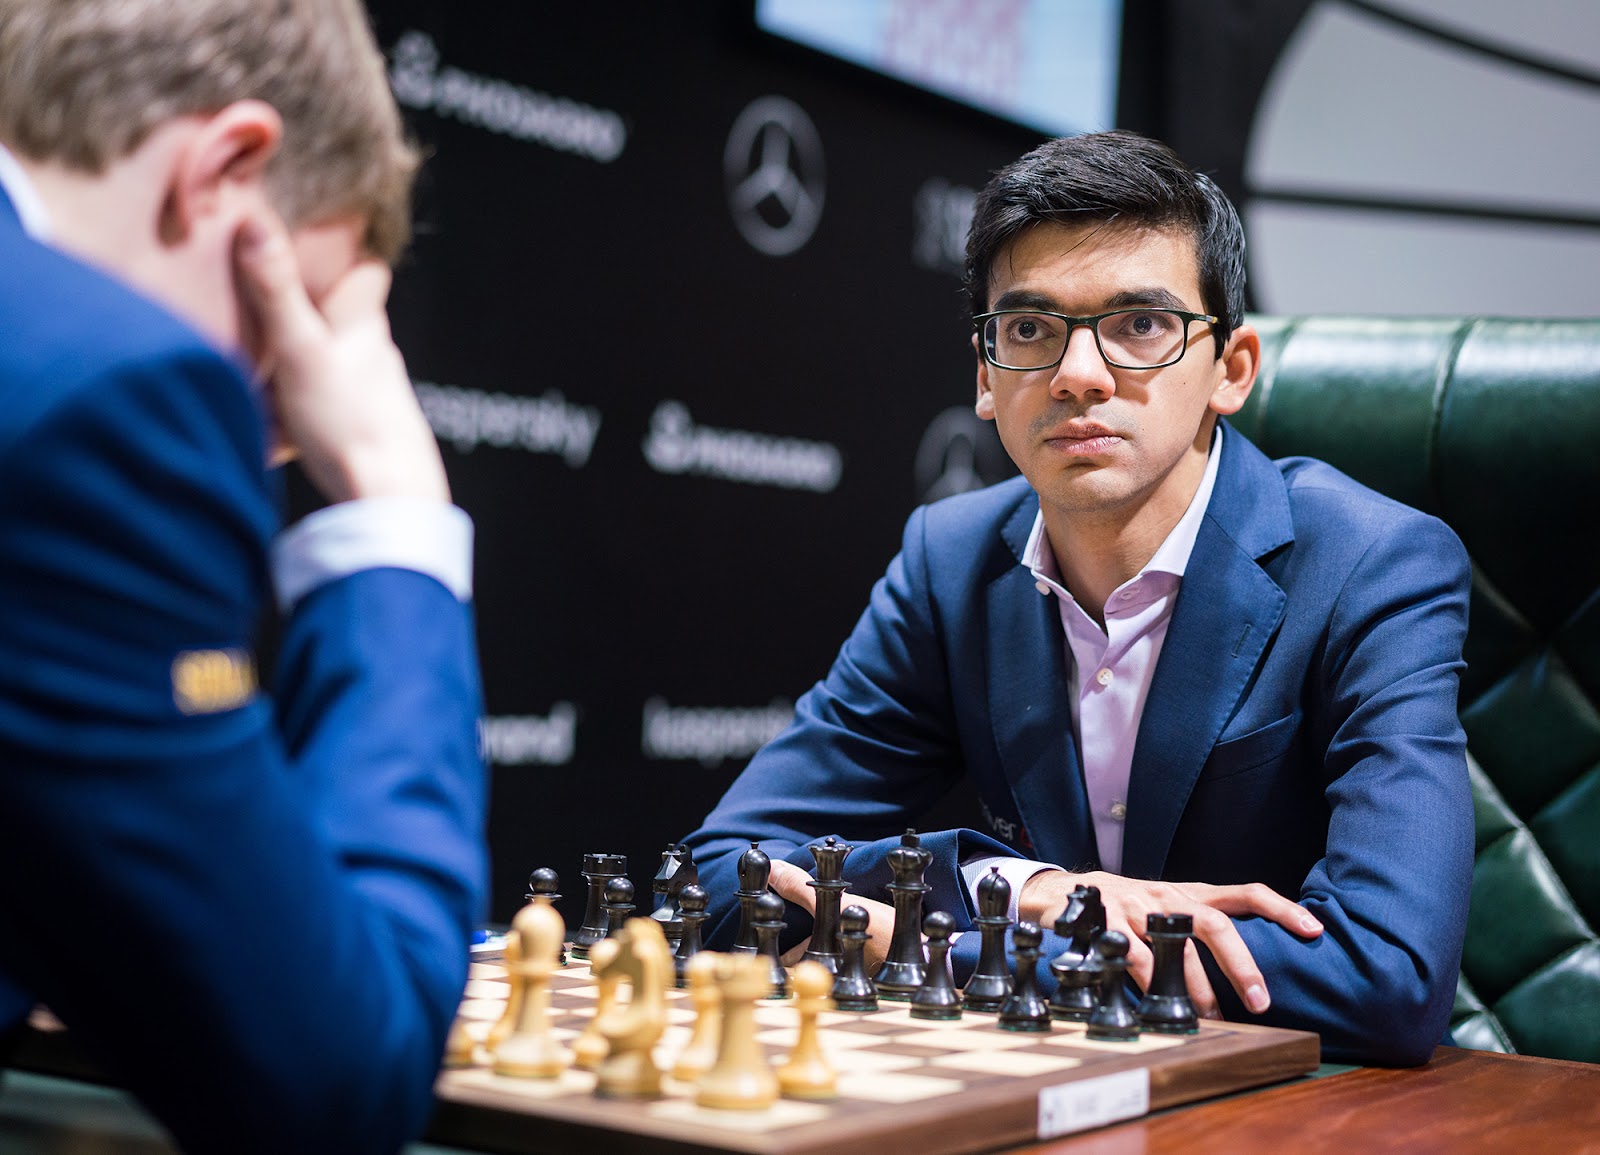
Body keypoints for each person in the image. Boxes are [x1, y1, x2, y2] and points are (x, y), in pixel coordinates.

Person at [683, 130, 1473, 1067]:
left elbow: (1388, 977)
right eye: (1029, 329)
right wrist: (1024, 888)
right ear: (986, 377)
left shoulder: (1374, 563)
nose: (1078, 375)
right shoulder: (949, 561)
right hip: (1037, 1091)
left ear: (1231, 369)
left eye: (1140, 325)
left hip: (1300, 1108)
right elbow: (720, 874)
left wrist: (943, 947)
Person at [0, 2, 486, 1151]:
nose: (276, 427)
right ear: (226, 169)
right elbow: (330, 1082)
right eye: (286, 326)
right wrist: (391, 502)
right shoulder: (105, 395)